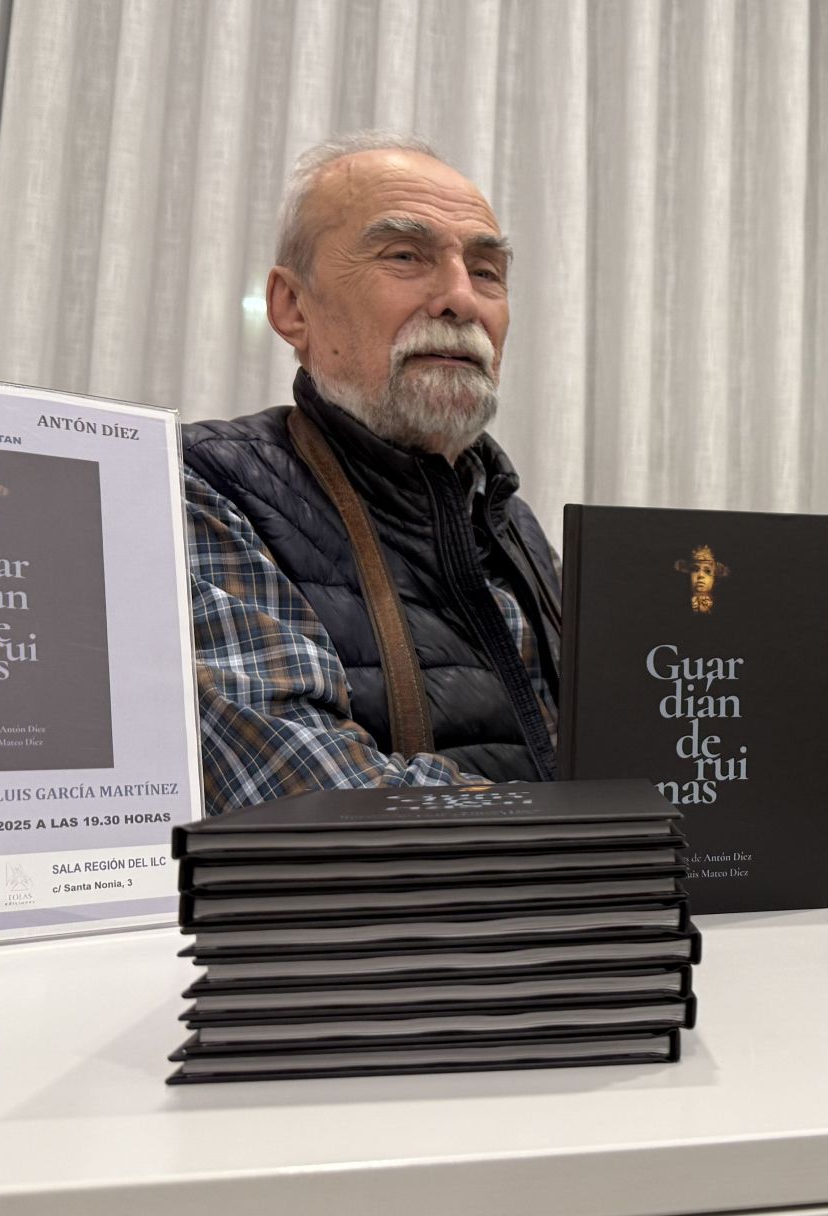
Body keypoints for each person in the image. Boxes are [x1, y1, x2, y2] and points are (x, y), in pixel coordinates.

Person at [184, 132, 559, 815]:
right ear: (292, 307)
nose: (460, 300)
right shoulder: (207, 487)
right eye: (405, 256)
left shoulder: (509, 522)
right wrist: (609, 832)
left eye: (486, 271)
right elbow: (310, 799)